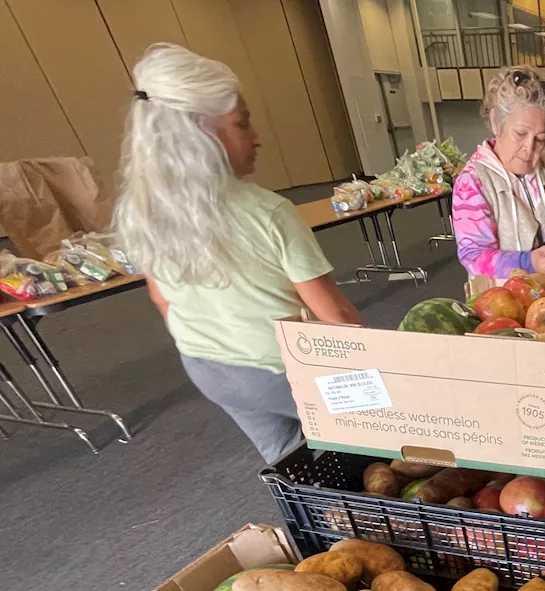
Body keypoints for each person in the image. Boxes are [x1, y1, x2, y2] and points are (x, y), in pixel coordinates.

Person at [114, 43, 363, 464]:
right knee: (363, 445)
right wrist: (376, 378)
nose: (256, 137)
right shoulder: (268, 212)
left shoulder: (142, 210)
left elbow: (162, 299)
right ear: (202, 134)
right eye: (242, 124)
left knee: (285, 458)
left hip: (205, 367)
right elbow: (334, 316)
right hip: (281, 370)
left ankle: (313, 519)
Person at [452, 67, 545, 279]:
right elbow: (474, 256)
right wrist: (530, 263)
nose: (529, 147)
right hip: (501, 304)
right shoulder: (472, 182)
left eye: (540, 139)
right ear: (496, 122)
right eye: (520, 133)